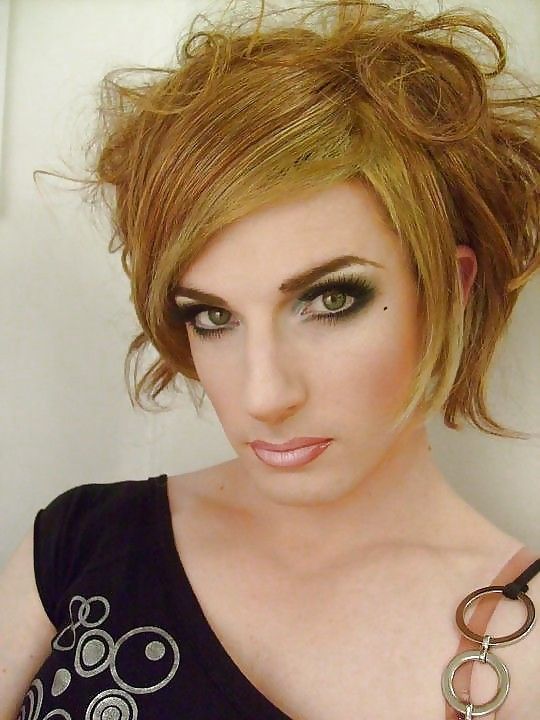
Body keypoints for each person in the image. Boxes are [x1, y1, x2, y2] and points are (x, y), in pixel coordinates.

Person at [1, 1, 539, 718]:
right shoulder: (84, 541)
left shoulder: (522, 654)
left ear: (450, 288)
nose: (263, 394)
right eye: (213, 316)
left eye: (330, 300)